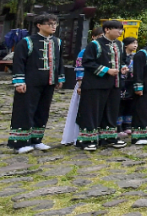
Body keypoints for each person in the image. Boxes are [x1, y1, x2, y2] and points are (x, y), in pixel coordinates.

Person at [9, 13, 64, 153]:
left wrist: (60, 78)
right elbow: (19, 62)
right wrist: (19, 81)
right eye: (49, 24)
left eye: (55, 24)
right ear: (39, 25)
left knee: (42, 111)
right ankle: (20, 143)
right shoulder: (27, 42)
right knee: (25, 110)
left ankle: (36, 139)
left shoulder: (57, 42)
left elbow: (59, 61)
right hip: (30, 82)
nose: (53, 27)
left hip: (49, 81)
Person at [80, 20, 128, 150]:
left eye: (121, 29)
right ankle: (87, 140)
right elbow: (88, 63)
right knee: (92, 112)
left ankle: (108, 138)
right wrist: (107, 70)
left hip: (114, 84)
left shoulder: (119, 44)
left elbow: (122, 60)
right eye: (117, 29)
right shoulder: (94, 45)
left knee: (111, 112)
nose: (120, 32)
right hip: (95, 84)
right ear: (107, 29)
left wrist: (123, 67)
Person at [62, 26, 101, 146]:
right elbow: (79, 68)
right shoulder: (85, 51)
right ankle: (77, 135)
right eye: (99, 37)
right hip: (86, 84)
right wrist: (80, 84)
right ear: (93, 37)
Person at [117, 36, 138, 137]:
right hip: (122, 82)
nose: (135, 45)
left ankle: (127, 125)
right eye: (133, 43)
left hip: (131, 82)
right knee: (120, 104)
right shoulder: (121, 56)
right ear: (126, 45)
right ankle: (118, 126)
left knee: (130, 104)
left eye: (136, 43)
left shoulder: (135, 56)